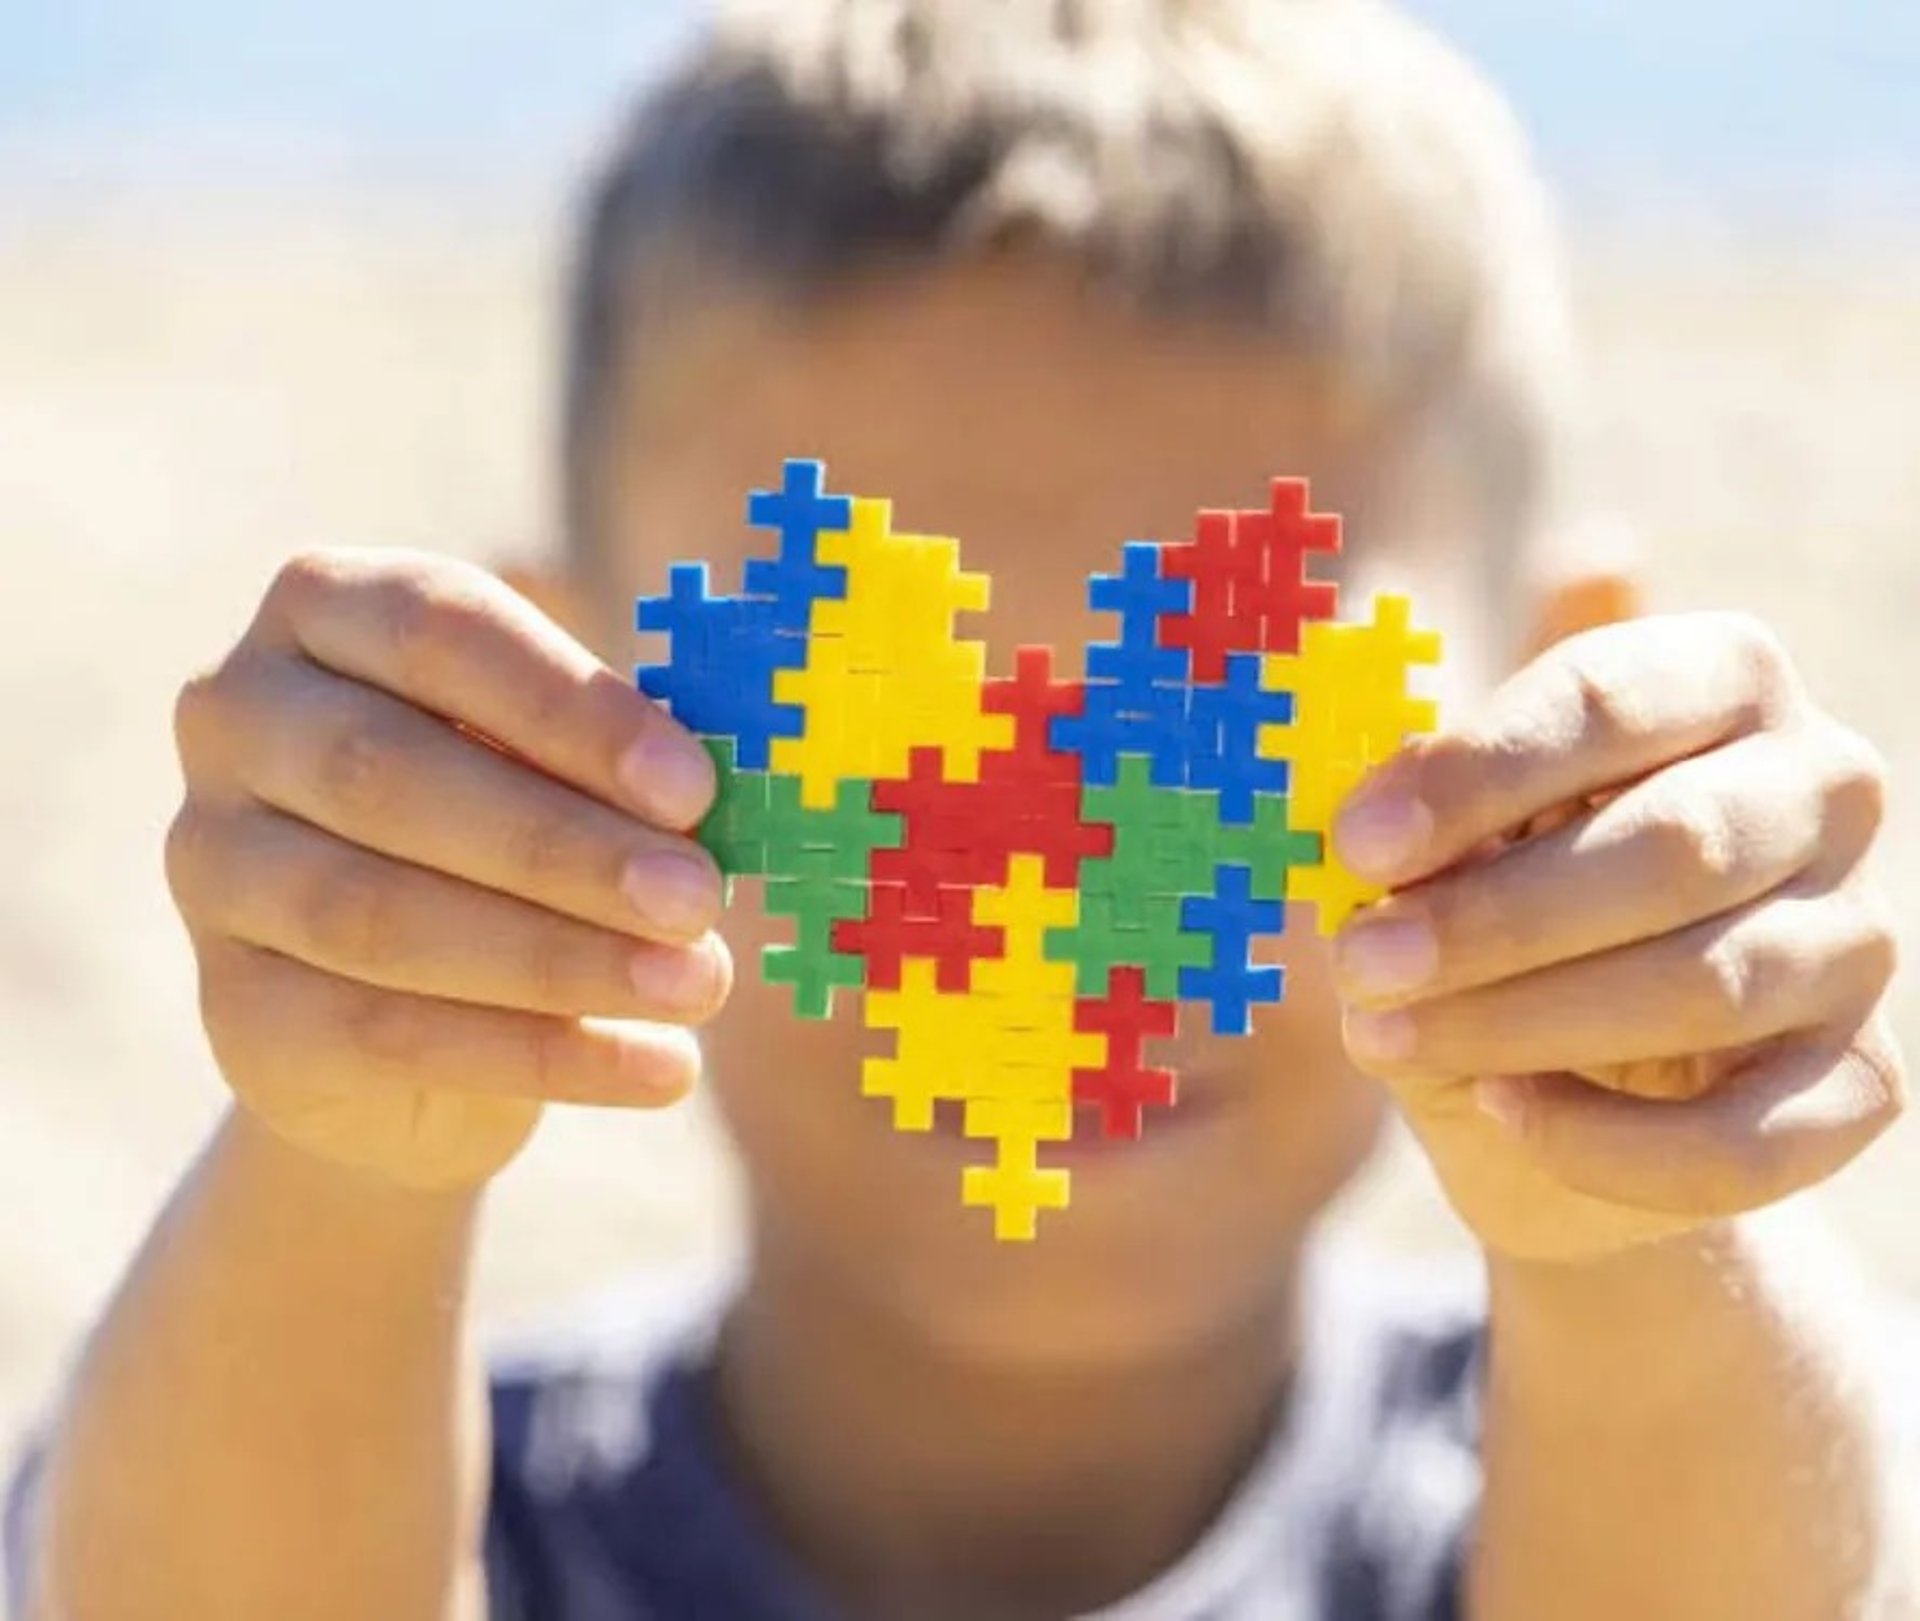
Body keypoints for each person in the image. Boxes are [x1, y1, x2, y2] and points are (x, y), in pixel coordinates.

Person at [10, 2, 1917, 1617]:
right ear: (558, 714)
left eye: (1221, 736)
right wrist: (349, 1160)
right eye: (869, 735)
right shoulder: (389, 1459)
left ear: (1541, 699)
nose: (1049, 906)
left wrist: (1624, 1211)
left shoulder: (1593, 1456)